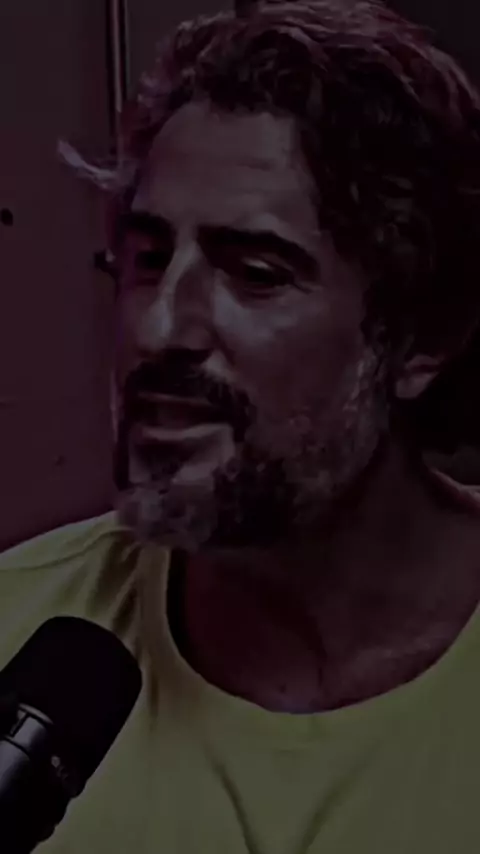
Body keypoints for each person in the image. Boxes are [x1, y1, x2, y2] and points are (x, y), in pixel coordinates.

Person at [2, 0, 480, 850]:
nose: (160, 328)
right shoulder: (14, 625)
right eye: (148, 261)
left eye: (256, 273)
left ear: (423, 338)